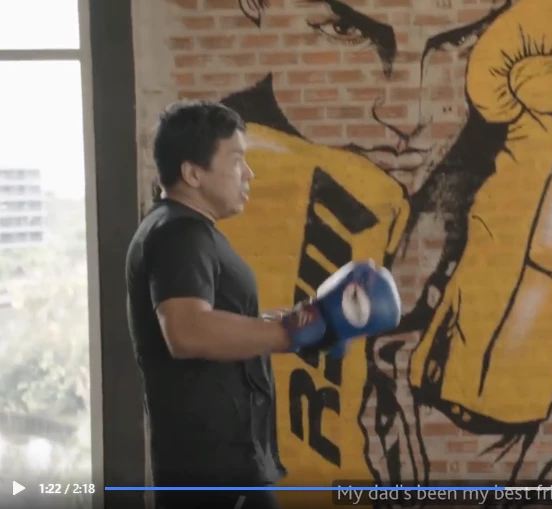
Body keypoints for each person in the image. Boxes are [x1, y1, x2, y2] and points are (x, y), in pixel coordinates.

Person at [125, 100, 401, 509]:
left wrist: (294, 323)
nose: (249, 173)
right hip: (212, 473)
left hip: (227, 468)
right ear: (193, 173)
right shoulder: (180, 233)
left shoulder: (186, 230)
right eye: (236, 160)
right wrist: (287, 332)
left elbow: (217, 324)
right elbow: (187, 331)